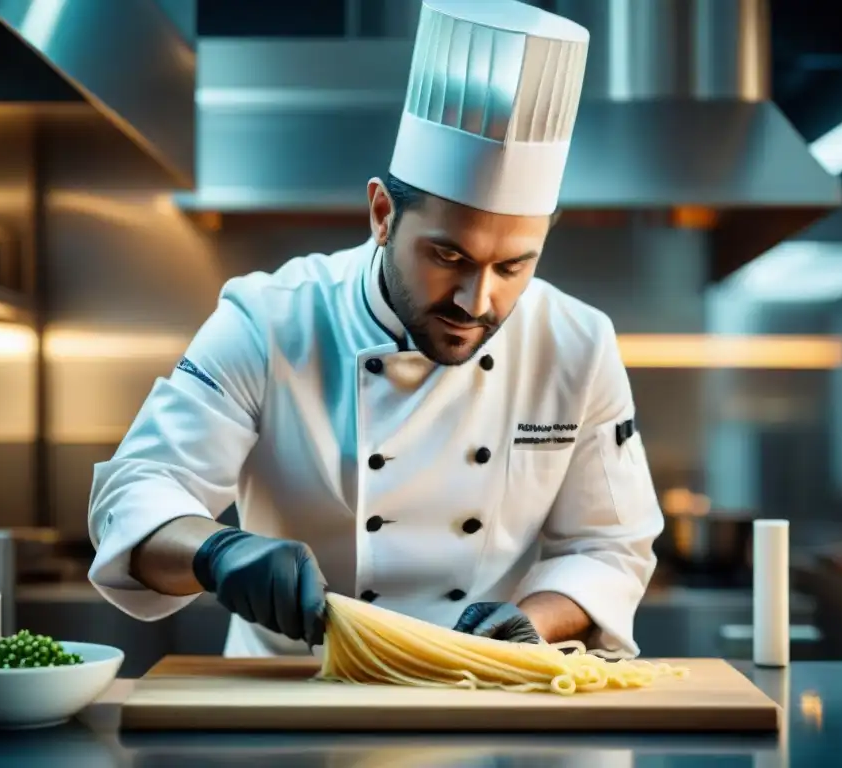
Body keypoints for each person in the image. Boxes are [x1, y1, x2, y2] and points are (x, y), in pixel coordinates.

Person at [87, 0, 664, 659]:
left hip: (479, 695)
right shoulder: (269, 319)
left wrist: (531, 622)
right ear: (383, 214)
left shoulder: (576, 343)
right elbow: (136, 491)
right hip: (287, 706)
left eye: (514, 265)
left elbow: (609, 545)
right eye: (449, 257)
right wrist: (216, 552)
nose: (478, 300)